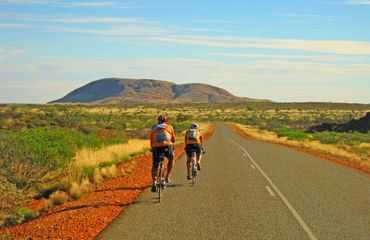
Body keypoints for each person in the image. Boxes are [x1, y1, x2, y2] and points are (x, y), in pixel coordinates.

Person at [150, 115, 175, 192]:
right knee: (171, 159)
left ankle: (154, 182)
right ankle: (167, 176)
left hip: (156, 147)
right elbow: (173, 139)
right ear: (166, 121)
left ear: (158, 121)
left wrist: (152, 148)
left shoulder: (154, 128)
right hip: (167, 145)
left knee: (155, 164)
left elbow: (151, 140)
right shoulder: (169, 127)